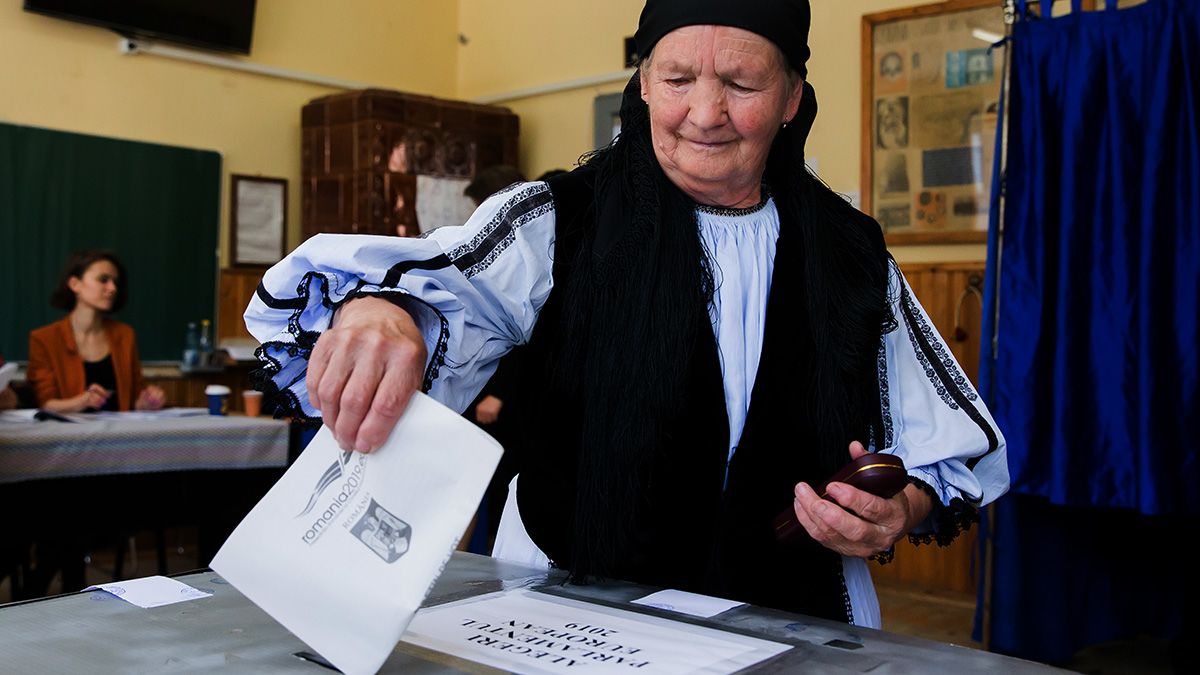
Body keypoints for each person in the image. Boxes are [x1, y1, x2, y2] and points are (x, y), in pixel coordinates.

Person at [245, 0, 1008, 627]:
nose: (704, 113)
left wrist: (901, 506)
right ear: (641, 86)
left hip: (790, 621)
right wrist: (383, 314)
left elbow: (943, 443)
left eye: (741, 83)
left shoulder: (850, 250)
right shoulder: (559, 218)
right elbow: (437, 291)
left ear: (791, 99)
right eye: (677, 78)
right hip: (565, 614)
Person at [28, 250, 165, 412]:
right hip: (68, 435)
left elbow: (134, 400)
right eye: (103, 280)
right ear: (75, 284)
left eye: (115, 282)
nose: (113, 288)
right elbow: (45, 403)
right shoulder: (44, 339)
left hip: (119, 433)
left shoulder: (125, 335)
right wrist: (81, 401)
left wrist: (147, 402)